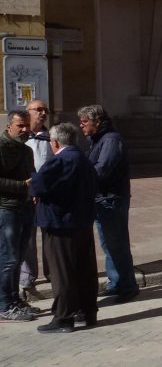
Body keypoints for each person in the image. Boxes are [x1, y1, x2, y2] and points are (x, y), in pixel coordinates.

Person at [30, 123, 99, 333]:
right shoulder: (84, 160)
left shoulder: (60, 160)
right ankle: (87, 311)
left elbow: (38, 185)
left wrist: (35, 189)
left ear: (55, 142)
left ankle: (63, 317)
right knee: (84, 270)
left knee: (62, 272)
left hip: (59, 223)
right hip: (82, 222)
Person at [78, 104, 139, 303]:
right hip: (102, 198)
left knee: (116, 243)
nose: (81, 125)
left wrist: (79, 179)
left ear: (97, 121)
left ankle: (127, 286)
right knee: (109, 244)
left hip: (111, 199)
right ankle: (116, 282)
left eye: (85, 121)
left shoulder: (111, 140)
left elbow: (102, 170)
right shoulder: (98, 139)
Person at [0, 110, 36, 322]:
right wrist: (22, 186)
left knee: (18, 257)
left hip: (24, 207)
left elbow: (31, 175)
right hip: (6, 209)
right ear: (9, 126)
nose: (24, 130)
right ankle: (4, 305)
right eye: (20, 125)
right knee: (8, 259)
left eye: (26, 126)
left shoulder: (25, 150)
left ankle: (14, 300)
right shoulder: (1, 147)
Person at [21, 99, 52, 302]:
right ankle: (28, 276)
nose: (42, 113)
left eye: (45, 110)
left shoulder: (51, 137)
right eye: (38, 110)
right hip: (24, 194)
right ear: (28, 112)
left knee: (50, 234)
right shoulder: (20, 138)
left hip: (48, 194)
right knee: (27, 237)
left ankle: (52, 272)